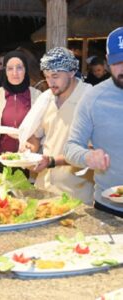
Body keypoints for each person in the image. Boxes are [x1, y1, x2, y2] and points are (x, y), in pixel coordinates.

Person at [22, 47, 94, 204]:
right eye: (47, 77)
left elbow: (91, 152)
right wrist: (29, 151)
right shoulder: (46, 98)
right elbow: (36, 135)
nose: (50, 83)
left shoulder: (89, 99)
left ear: (72, 72)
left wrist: (52, 161)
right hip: (44, 188)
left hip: (76, 195)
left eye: (55, 76)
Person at [64, 27, 123, 216]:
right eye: (117, 62)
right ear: (107, 61)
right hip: (109, 208)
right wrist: (87, 157)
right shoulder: (93, 98)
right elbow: (70, 148)